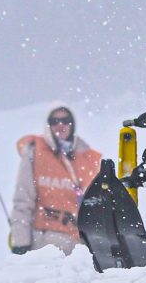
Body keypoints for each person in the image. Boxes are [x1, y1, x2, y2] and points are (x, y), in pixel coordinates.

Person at [9, 106, 100, 254]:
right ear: (48, 125)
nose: (60, 125)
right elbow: (23, 200)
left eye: (65, 120)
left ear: (72, 124)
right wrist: (21, 242)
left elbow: (97, 207)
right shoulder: (35, 153)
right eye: (54, 121)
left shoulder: (87, 159)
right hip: (44, 246)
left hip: (79, 248)